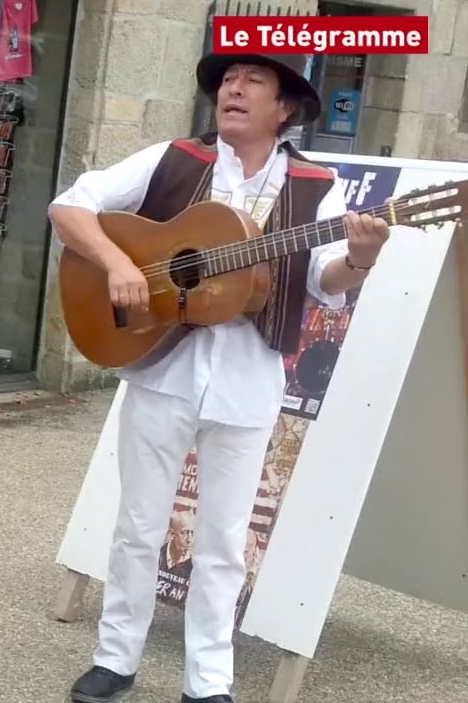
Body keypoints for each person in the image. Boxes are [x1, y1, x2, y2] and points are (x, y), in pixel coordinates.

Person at [49, 52, 391, 703]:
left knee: (225, 540)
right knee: (138, 525)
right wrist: (119, 263)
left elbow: (324, 281)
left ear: (284, 108)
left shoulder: (317, 185)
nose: (233, 88)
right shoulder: (175, 159)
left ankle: (208, 681)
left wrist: (362, 257)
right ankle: (116, 658)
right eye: (228, 80)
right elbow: (71, 207)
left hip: (249, 372)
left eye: (252, 81)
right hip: (162, 365)